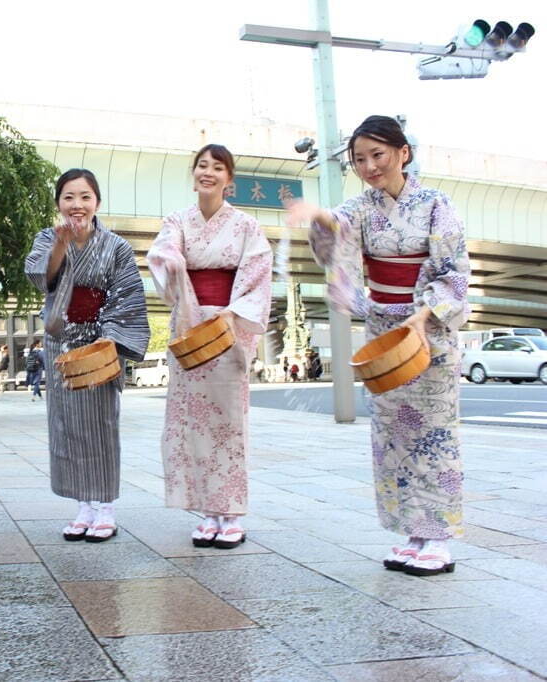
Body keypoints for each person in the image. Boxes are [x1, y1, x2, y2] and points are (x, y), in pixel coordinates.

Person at [286, 115, 470, 576]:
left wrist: (425, 312)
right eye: (360, 159)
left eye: (378, 155)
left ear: (403, 153)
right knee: (393, 438)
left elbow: (453, 273)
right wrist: (319, 218)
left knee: (434, 435)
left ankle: (439, 537)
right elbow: (337, 232)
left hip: (428, 331)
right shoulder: (362, 207)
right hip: (384, 329)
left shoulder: (435, 204)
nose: (369, 166)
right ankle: (412, 533)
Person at [147, 144, 273, 549]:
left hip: (228, 327)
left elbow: (257, 271)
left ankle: (231, 511)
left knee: (227, 421)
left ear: (229, 179)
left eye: (217, 168)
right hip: (189, 324)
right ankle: (206, 510)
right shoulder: (177, 220)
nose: (208, 173)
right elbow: (162, 251)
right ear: (193, 173)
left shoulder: (246, 226)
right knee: (191, 422)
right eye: (202, 166)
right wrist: (172, 261)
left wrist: (232, 315)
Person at [26, 169, 149, 542]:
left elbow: (126, 296)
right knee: (66, 425)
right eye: (68, 197)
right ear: (58, 203)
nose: (77, 205)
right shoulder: (47, 237)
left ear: (97, 202)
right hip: (62, 340)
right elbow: (40, 277)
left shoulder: (117, 247)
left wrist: (109, 340)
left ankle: (105, 506)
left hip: (100, 342)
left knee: (100, 424)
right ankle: (82, 505)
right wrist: (61, 247)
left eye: (84, 197)